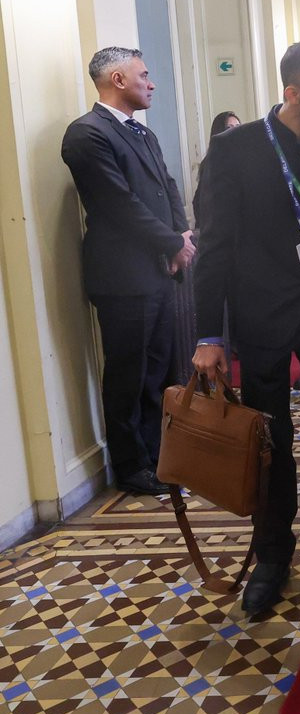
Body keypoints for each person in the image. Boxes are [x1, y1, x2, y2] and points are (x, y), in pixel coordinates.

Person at [192, 40, 300, 618]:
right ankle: (271, 552)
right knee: (269, 439)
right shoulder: (234, 149)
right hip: (261, 312)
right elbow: (213, 246)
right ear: (293, 91)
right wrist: (209, 335)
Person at [61, 46, 196, 496]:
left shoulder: (142, 133)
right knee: (129, 375)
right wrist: (172, 243)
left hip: (157, 270)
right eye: (144, 76)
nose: (151, 84)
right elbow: (120, 205)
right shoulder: (87, 134)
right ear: (118, 80)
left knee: (158, 371)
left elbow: (167, 187)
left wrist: (181, 236)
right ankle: (132, 465)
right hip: (122, 277)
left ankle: (159, 457)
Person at [192, 110, 241, 236]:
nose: (235, 131)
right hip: (222, 231)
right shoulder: (212, 162)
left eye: (238, 127)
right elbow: (200, 203)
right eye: (229, 128)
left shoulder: (246, 158)